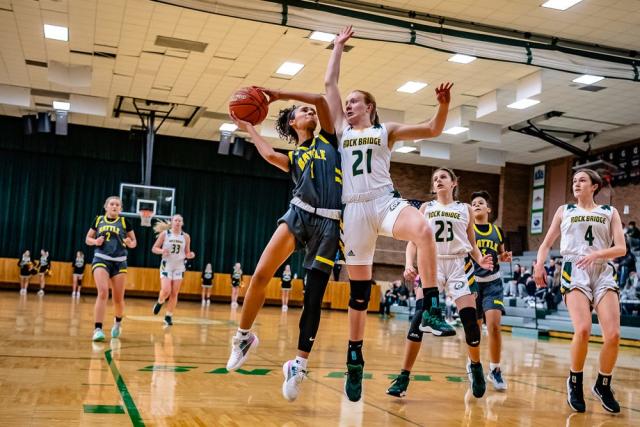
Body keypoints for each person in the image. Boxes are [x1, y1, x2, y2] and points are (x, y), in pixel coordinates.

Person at [325, 25, 453, 402]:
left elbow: (432, 128)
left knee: (425, 230)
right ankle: (354, 357)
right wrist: (337, 47)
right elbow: (329, 85)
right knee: (360, 293)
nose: (347, 106)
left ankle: (429, 305)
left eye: (354, 102)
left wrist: (443, 104)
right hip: (355, 211)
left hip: (384, 201)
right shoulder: (340, 131)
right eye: (346, 103)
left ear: (370, 107)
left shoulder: (386, 131)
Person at [225, 87, 342, 403]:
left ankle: (298, 365)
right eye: (302, 112)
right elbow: (267, 154)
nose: (311, 112)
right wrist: (248, 126)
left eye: (310, 112)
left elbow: (320, 98)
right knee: (261, 274)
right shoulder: (295, 156)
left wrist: (275, 93)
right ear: (292, 123)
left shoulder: (329, 140)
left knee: (313, 298)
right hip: (299, 213)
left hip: (329, 224)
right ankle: (244, 338)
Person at [387, 168, 493, 399]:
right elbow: (413, 242)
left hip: (458, 265)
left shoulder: (465, 209)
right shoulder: (426, 208)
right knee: (419, 317)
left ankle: (475, 367)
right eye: (435, 179)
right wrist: (408, 263)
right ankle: (403, 377)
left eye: (443, 177)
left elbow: (471, 244)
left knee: (469, 320)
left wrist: (480, 259)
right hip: (430, 264)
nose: (438, 180)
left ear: (454, 183)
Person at [534, 169, 626, 414]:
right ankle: (574, 381)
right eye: (574, 180)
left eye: (582, 180)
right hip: (574, 268)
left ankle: (603, 384)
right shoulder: (565, 211)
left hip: (602, 269)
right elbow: (545, 244)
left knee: (614, 335)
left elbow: (621, 248)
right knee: (583, 328)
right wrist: (539, 265)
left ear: (594, 186)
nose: (576, 184)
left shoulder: (609, 212)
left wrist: (598, 253)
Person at [469, 190, 512, 391]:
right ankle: (474, 364)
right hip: (473, 283)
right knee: (475, 329)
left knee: (494, 326)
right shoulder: (467, 230)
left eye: (480, 202)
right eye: (474, 203)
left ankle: (495, 369)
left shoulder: (498, 231)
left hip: (493, 283)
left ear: (488, 209)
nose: (476, 205)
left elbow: (501, 254)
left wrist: (505, 257)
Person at [86, 196, 137, 342]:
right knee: (102, 292)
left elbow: (134, 243)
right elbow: (87, 239)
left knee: (118, 299)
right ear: (106, 206)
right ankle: (97, 329)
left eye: (117, 205)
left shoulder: (124, 222)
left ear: (120, 208)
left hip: (119, 262)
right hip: (101, 258)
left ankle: (117, 323)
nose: (114, 206)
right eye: (112, 204)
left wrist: (129, 242)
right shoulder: (98, 220)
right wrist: (95, 241)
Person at [152, 214, 195, 326]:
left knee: (174, 292)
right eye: (175, 220)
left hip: (179, 266)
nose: (177, 222)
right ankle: (160, 301)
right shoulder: (165, 234)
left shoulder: (186, 237)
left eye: (179, 221)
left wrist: (190, 255)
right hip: (167, 265)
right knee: (166, 290)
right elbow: (154, 248)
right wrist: (162, 251)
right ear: (172, 222)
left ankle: (168, 316)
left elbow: (187, 252)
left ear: (182, 223)